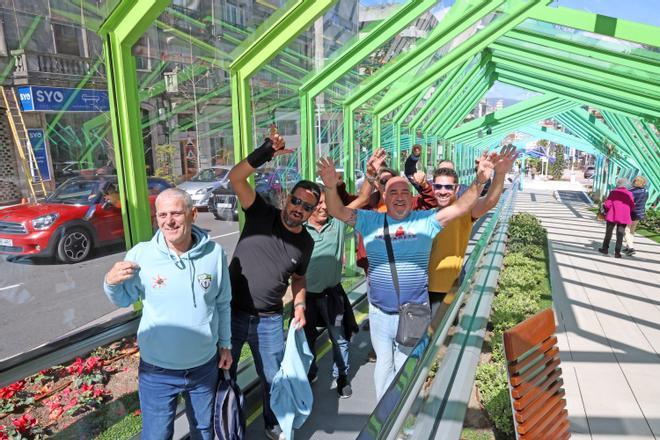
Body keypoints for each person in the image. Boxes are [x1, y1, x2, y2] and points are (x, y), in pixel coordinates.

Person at [317, 151, 499, 400]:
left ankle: (395, 411)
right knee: (383, 363)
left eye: (405, 192)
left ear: (412, 198)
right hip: (379, 312)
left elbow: (462, 206)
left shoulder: (426, 221)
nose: (399, 197)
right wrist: (329, 186)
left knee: (404, 366)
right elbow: (337, 210)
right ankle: (384, 415)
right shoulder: (369, 220)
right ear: (384, 197)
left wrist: (480, 181)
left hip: (413, 311)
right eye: (393, 192)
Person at [103, 188, 232, 440]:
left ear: (192, 214)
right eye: (162, 215)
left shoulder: (214, 254)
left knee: (204, 431)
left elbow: (222, 303)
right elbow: (123, 299)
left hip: (204, 366)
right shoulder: (141, 255)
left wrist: (225, 345)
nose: (168, 221)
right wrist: (110, 282)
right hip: (157, 371)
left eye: (176, 213)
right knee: (157, 435)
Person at [227, 127, 319, 440]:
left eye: (307, 207)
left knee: (272, 377)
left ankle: (272, 421)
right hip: (232, 313)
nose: (299, 209)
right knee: (223, 373)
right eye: (296, 201)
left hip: (268, 320)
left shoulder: (305, 243)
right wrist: (266, 151)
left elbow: (299, 276)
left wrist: (300, 304)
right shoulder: (259, 213)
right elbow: (236, 178)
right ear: (287, 198)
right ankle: (225, 425)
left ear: (311, 213)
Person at [428, 145, 518, 318]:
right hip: (416, 287)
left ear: (456, 189)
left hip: (443, 287)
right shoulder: (424, 209)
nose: (443, 191)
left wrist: (499, 175)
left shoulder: (462, 211)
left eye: (448, 187)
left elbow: (488, 202)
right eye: (438, 186)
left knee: (433, 335)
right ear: (432, 187)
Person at [598, 178, 635, 258]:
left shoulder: (613, 192)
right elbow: (632, 206)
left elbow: (608, 204)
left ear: (618, 184)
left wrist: (607, 209)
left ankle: (605, 249)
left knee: (608, 232)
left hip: (612, 215)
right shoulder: (629, 193)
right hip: (624, 216)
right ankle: (617, 253)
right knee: (620, 234)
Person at [623, 175, 649, 256]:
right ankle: (628, 246)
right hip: (639, 213)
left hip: (630, 213)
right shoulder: (645, 191)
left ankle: (631, 248)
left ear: (635, 182)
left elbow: (626, 202)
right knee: (632, 230)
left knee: (626, 230)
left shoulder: (630, 191)